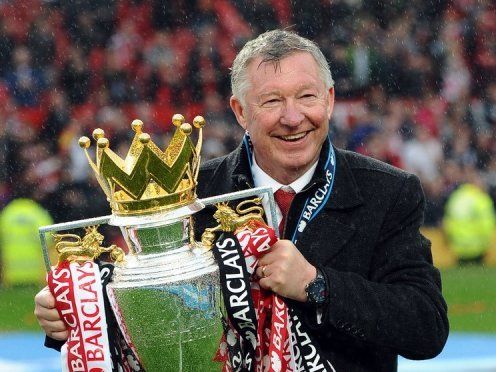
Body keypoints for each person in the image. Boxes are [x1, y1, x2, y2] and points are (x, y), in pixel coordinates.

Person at [35, 30, 448, 370]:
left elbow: (425, 327)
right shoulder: (191, 194)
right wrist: (73, 313)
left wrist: (317, 285)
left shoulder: (388, 191)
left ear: (330, 99)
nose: (292, 117)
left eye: (306, 96)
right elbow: (151, 314)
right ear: (239, 111)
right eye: (272, 101)